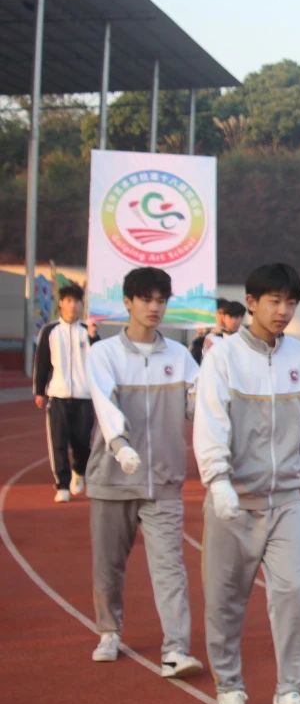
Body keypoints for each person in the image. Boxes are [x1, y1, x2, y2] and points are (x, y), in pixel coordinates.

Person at [194, 263, 300, 704]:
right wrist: (219, 481)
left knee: (293, 590)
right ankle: (229, 687)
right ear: (250, 302)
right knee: (226, 600)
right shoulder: (223, 358)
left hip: (285, 499)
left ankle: (292, 693)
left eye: (291, 302)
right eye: (274, 301)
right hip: (234, 500)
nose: (284, 311)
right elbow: (210, 421)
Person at [84, 266, 202, 677]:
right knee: (109, 564)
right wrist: (119, 444)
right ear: (128, 302)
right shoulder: (104, 355)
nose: (154, 307)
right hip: (114, 477)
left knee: (170, 567)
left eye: (161, 300)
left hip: (163, 480)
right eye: (146, 299)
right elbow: (104, 404)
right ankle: (109, 631)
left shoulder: (181, 357)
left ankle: (176, 648)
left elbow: (198, 408)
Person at [33, 282, 100, 502]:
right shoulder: (50, 331)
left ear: (82, 305)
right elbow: (42, 362)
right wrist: (39, 390)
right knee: (58, 442)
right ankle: (61, 485)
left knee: (82, 442)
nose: (73, 306)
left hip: (84, 396)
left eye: (77, 302)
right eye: (69, 301)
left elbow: (99, 360)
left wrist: (93, 336)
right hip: (58, 395)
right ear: (61, 303)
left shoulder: (87, 332)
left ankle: (79, 471)